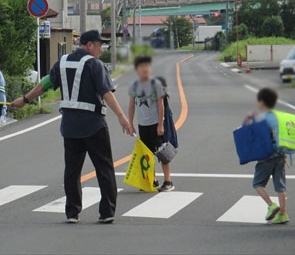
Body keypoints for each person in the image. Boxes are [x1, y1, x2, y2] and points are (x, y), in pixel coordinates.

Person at [12, 30, 134, 224]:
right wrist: (122, 117)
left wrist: (25, 99)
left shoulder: (62, 62)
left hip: (69, 127)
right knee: (104, 169)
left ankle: (72, 213)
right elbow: (106, 93)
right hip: (94, 126)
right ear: (88, 45)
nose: (101, 49)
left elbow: (45, 84)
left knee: (72, 170)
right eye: (99, 45)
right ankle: (106, 212)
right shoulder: (95, 65)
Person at [128, 56, 174, 192]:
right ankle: (152, 180)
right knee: (147, 154)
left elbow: (161, 105)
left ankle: (168, 181)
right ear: (137, 70)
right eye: (142, 67)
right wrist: (130, 123)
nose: (145, 69)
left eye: (147, 66)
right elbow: (132, 105)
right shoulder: (134, 86)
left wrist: (161, 124)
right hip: (143, 125)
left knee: (162, 152)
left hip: (156, 124)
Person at [246, 88, 289, 224]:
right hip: (280, 155)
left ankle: (271, 205)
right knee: (280, 185)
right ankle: (283, 213)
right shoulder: (279, 117)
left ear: (262, 102)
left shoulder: (260, 119)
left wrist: (248, 119)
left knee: (258, 183)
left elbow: (249, 134)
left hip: (265, 157)